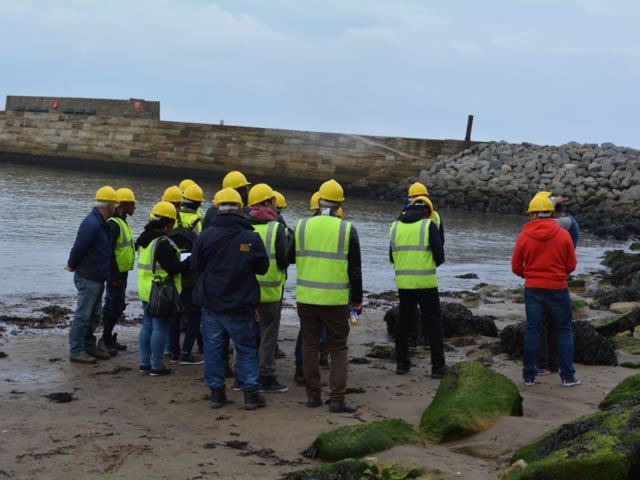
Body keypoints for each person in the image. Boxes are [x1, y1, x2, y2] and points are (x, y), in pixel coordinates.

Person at [288, 179, 363, 413]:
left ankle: (313, 397)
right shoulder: (347, 229)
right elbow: (355, 270)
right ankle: (337, 399)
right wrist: (358, 299)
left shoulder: (300, 226)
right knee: (338, 348)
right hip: (335, 300)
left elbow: (287, 257)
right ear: (340, 204)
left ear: (318, 200)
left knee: (310, 345)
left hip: (306, 298)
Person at [191, 188, 270, 410]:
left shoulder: (204, 236)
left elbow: (195, 266)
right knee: (245, 349)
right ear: (240, 209)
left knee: (214, 350)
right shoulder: (251, 237)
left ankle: (217, 394)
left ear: (217, 209)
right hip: (241, 305)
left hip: (212, 304)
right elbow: (263, 269)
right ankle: (251, 395)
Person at [511, 194, 580, 387]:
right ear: (550, 213)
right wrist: (556, 274)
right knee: (565, 330)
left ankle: (529, 376)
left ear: (533, 215)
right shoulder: (563, 235)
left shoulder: (524, 236)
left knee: (533, 330)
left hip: (533, 288)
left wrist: (531, 275)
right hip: (557, 287)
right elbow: (572, 265)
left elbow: (516, 266)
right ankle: (567, 377)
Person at [389, 195, 447, 378]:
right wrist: (426, 265)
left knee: (404, 323)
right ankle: (437, 367)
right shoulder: (427, 225)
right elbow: (440, 255)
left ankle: (402, 364)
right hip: (426, 283)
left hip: (404, 283)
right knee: (434, 323)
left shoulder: (395, 226)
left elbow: (392, 257)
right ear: (427, 211)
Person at [136, 201, 191, 376]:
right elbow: (173, 267)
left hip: (146, 289)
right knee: (160, 328)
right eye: (173, 223)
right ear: (167, 224)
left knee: (147, 326)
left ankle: (144, 364)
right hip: (160, 291)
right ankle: (156, 366)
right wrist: (190, 261)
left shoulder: (144, 239)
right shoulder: (162, 243)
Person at [66, 186, 118, 364]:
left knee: (94, 314)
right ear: (108, 205)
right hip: (88, 276)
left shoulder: (101, 222)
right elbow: (79, 245)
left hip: (96, 275)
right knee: (84, 314)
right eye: (114, 204)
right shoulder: (92, 223)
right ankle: (77, 350)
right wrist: (72, 264)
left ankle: (89, 346)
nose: (116, 207)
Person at [245, 183, 289, 393]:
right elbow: (283, 260)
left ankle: (242, 374)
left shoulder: (243, 225)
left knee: (245, 334)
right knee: (268, 337)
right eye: (272, 200)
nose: (275, 204)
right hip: (270, 292)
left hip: (245, 292)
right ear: (266, 202)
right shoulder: (276, 227)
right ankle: (266, 376)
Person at [401, 182, 444, 350]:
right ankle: (427, 340)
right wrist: (432, 262)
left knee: (408, 311)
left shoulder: (402, 217)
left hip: (405, 273)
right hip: (427, 271)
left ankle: (411, 340)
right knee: (430, 312)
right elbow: (441, 244)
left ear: (410, 198)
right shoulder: (436, 216)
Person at [167, 183, 205, 365]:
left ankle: (173, 352)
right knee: (195, 315)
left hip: (174, 271)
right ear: (198, 203)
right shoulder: (201, 220)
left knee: (175, 313)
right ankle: (186, 353)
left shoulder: (172, 216)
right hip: (193, 273)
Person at [99, 187, 137, 355]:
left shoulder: (122, 221)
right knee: (114, 304)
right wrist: (114, 276)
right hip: (116, 273)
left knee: (118, 304)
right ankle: (104, 339)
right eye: (132, 204)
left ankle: (107, 338)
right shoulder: (114, 224)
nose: (135, 207)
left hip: (121, 271)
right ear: (122, 204)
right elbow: (109, 251)